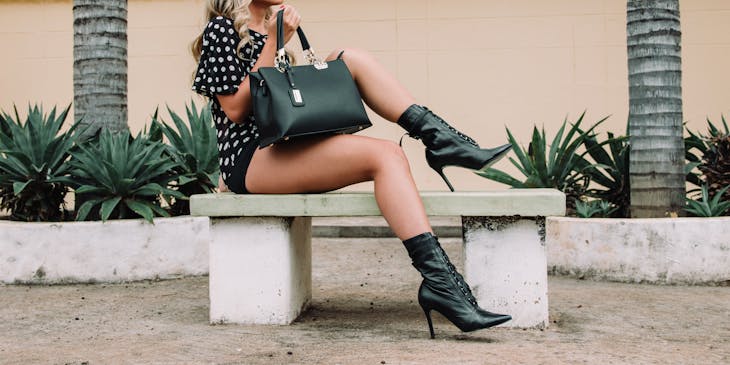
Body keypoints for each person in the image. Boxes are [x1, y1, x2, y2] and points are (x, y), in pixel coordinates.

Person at [191, 0, 512, 338]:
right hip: (252, 156)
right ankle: (444, 286)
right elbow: (237, 109)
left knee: (351, 57)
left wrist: (276, 38)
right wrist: (274, 42)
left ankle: (441, 140)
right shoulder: (221, 29)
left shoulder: (273, 25)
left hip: (285, 144)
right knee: (386, 156)